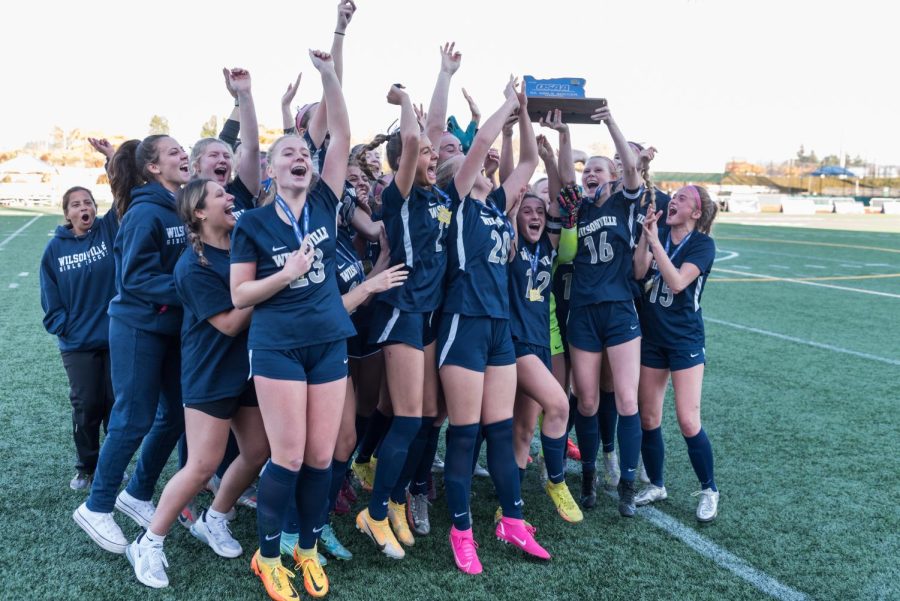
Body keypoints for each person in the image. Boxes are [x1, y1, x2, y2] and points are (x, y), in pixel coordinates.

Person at [230, 49, 374, 601]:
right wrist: (285, 275)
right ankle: (268, 558)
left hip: (327, 341)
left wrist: (331, 73)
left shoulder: (321, 201)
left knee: (321, 457)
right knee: (287, 456)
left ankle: (307, 550)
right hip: (278, 346)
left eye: (303, 154)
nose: (299, 157)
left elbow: (340, 135)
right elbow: (240, 293)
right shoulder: (255, 222)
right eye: (287, 152)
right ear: (270, 168)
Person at [125, 179, 270, 588]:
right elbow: (226, 324)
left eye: (229, 193)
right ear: (200, 213)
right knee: (202, 464)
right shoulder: (193, 265)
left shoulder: (243, 244)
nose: (231, 198)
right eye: (220, 195)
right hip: (210, 370)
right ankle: (148, 541)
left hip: (247, 366)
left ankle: (215, 518)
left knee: (258, 450)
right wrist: (269, 286)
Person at [435, 78, 549, 575]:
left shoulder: (497, 207)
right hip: (463, 325)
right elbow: (481, 143)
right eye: (467, 163)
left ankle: (513, 522)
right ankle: (461, 532)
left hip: (500, 328)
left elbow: (527, 164)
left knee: (499, 433)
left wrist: (522, 112)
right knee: (463, 435)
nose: (478, 164)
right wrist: (507, 102)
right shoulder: (456, 203)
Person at [354, 46, 461, 561]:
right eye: (422, 156)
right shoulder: (399, 198)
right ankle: (375, 512)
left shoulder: (440, 197)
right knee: (409, 418)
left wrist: (445, 74)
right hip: (401, 309)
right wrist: (404, 100)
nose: (432, 156)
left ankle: (391, 499)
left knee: (418, 415)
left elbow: (432, 133)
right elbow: (417, 136)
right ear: (402, 162)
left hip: (429, 315)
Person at [73, 135, 190, 553]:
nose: (184, 155)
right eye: (174, 151)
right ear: (153, 168)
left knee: (176, 413)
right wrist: (192, 288)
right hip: (138, 326)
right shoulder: (144, 213)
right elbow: (135, 280)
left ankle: (137, 493)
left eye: (184, 149)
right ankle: (97, 505)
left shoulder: (175, 205)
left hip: (168, 327)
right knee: (132, 417)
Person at [554, 103, 646, 517]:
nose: (591, 174)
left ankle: (627, 482)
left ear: (612, 177)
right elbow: (564, 177)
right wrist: (563, 137)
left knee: (627, 399)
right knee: (586, 400)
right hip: (584, 312)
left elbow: (631, 169)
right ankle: (589, 475)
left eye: (599, 170)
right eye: (587, 170)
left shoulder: (623, 204)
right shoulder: (581, 207)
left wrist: (610, 122)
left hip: (619, 310)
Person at [632, 185, 720, 522]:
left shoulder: (702, 244)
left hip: (684, 339)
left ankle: (709, 489)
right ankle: (656, 483)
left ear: (696, 213)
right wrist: (647, 237)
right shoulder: (662, 233)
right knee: (649, 417)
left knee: (687, 419)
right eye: (676, 197)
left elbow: (678, 282)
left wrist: (655, 242)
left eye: (683, 198)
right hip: (652, 337)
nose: (675, 201)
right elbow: (639, 273)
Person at [506, 184, 582, 523]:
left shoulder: (549, 248)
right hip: (515, 342)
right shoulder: (511, 243)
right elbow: (510, 202)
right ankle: (556, 480)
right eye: (527, 211)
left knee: (522, 432)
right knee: (560, 404)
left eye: (540, 212)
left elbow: (561, 209)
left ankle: (509, 508)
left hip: (540, 342)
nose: (535, 217)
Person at [40, 186, 118, 491]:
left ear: (95, 208)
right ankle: (87, 467)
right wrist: (63, 325)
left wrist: (111, 160)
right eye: (76, 204)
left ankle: (112, 466)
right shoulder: (55, 249)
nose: (83, 208)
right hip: (77, 343)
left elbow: (122, 194)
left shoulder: (107, 231)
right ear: (67, 213)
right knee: (87, 405)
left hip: (114, 337)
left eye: (88, 202)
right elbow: (49, 292)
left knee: (115, 404)